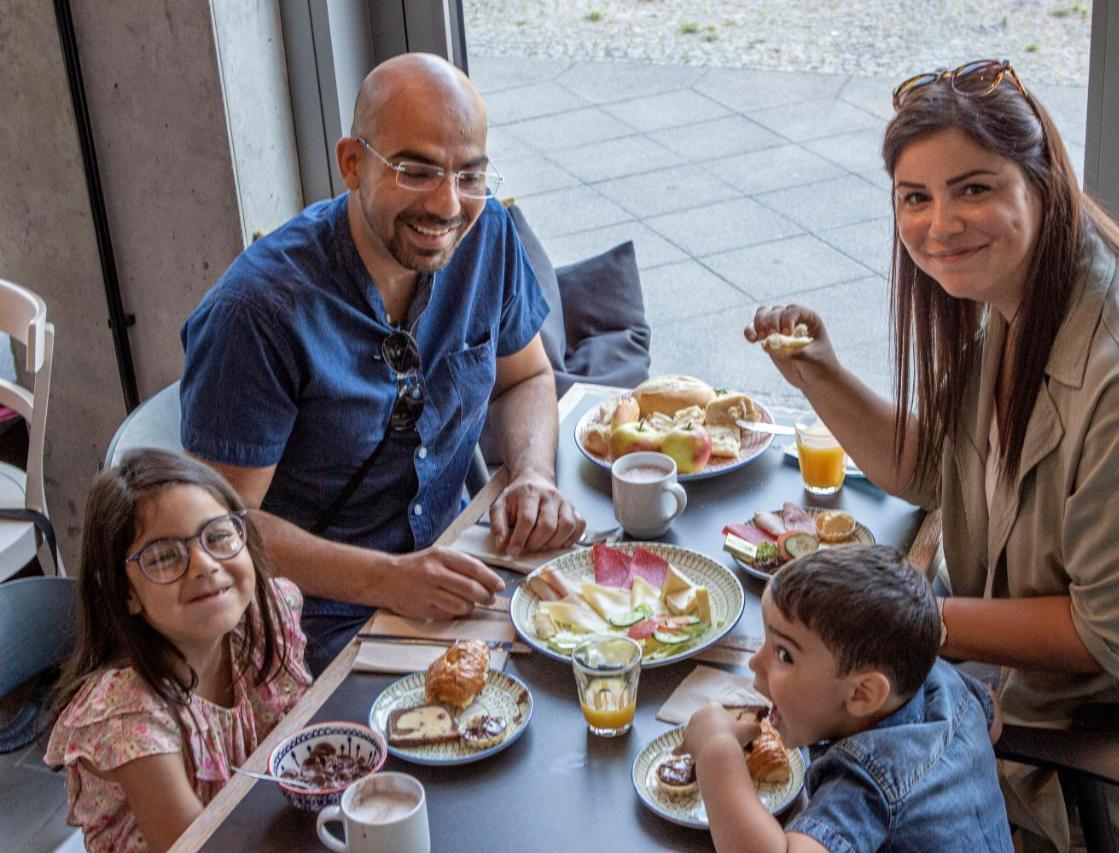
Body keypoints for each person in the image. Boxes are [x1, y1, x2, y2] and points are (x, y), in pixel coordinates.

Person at [745, 59, 1119, 850]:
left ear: (1043, 183)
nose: (941, 224)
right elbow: (934, 469)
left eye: (974, 189)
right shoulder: (1023, 305)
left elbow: (1115, 638)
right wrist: (817, 369)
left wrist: (902, 625)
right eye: (914, 198)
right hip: (1036, 695)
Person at [180, 53, 585, 672]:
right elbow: (224, 528)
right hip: (306, 627)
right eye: (416, 170)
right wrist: (389, 580)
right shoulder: (255, 311)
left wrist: (533, 474)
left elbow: (526, 377)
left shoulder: (489, 234)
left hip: (453, 571)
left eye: (469, 175)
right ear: (351, 163)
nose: (449, 205)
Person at [43, 449, 311, 852]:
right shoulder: (128, 714)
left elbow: (303, 749)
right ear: (125, 591)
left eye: (219, 535)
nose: (203, 564)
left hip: (256, 826)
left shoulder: (265, 616)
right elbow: (198, 846)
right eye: (165, 556)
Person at [682, 545, 1011, 852]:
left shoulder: (866, 784)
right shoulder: (940, 680)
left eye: (784, 654)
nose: (755, 662)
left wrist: (717, 750)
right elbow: (992, 717)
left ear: (862, 694)